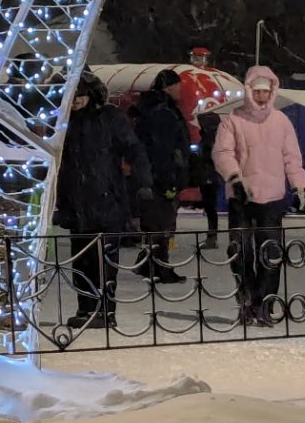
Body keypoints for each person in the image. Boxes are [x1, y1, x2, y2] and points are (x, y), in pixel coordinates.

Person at [54, 69, 151, 328]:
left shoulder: (108, 117)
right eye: (71, 94)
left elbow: (134, 148)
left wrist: (142, 182)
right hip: (76, 202)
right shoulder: (63, 121)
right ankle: (86, 308)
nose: (76, 100)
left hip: (106, 199)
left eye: (80, 94)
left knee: (104, 261)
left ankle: (104, 310)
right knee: (81, 260)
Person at [213, 65, 305, 324]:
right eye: (257, 91)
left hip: (272, 199)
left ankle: (265, 303)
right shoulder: (233, 120)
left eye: (266, 91)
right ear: (249, 91)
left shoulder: (281, 121)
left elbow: (292, 157)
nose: (262, 96)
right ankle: (247, 301)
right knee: (240, 253)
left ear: (273, 91)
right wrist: (234, 178)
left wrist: (299, 186)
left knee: (271, 254)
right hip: (241, 198)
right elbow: (223, 153)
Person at [133, 69, 190, 284]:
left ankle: (149, 263)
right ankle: (159, 267)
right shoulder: (164, 113)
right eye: (178, 85)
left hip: (149, 175)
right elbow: (163, 150)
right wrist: (169, 179)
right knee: (162, 224)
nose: (180, 90)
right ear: (169, 87)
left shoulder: (151, 109)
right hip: (160, 177)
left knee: (154, 223)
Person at [189, 110, 224, 249]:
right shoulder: (212, 137)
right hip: (209, 176)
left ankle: (212, 237)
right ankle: (212, 236)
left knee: (210, 207)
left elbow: (210, 157)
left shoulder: (210, 138)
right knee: (210, 207)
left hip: (209, 176)